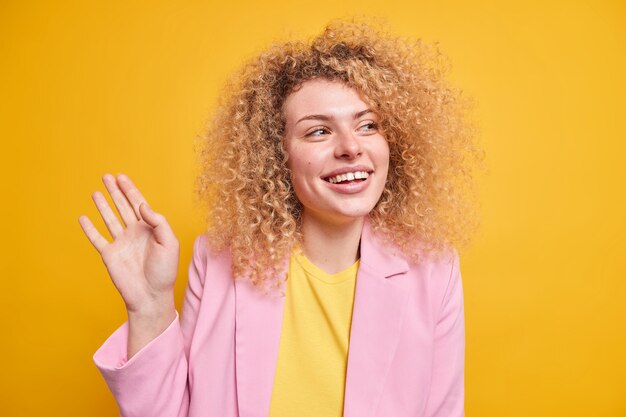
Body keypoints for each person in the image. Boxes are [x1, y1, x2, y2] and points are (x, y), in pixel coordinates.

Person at [79, 20, 478, 417]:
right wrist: (149, 308)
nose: (351, 147)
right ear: (277, 155)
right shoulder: (218, 260)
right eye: (319, 131)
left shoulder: (434, 270)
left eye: (368, 125)